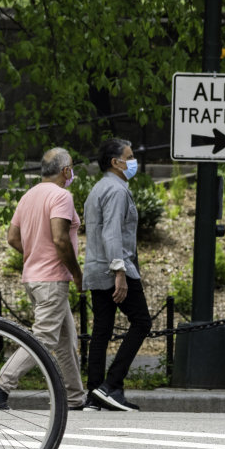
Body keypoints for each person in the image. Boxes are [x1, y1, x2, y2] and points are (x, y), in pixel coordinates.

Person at [0, 147, 87, 411]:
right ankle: (1, 384)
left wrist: (35, 253)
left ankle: (74, 396)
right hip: (52, 279)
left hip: (33, 278)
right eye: (71, 169)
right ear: (66, 171)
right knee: (43, 338)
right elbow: (60, 238)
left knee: (66, 339)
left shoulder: (28, 196)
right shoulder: (61, 196)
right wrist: (77, 274)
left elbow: (12, 238)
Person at [81, 138, 149, 411]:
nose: (133, 162)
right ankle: (111, 386)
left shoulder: (98, 188)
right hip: (115, 267)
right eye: (129, 157)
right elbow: (111, 232)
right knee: (142, 322)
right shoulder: (117, 191)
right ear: (115, 162)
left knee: (102, 330)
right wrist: (119, 271)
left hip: (96, 268)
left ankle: (95, 394)